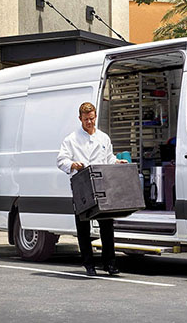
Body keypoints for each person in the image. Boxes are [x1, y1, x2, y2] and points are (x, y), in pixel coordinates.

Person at [56, 102, 127, 276]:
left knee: (107, 226)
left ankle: (110, 264)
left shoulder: (103, 138)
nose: (90, 122)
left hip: (102, 184)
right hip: (82, 185)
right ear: (80, 118)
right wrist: (72, 164)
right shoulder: (71, 139)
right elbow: (61, 160)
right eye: (86, 119)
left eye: (92, 118)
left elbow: (108, 157)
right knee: (83, 228)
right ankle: (89, 264)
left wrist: (117, 162)